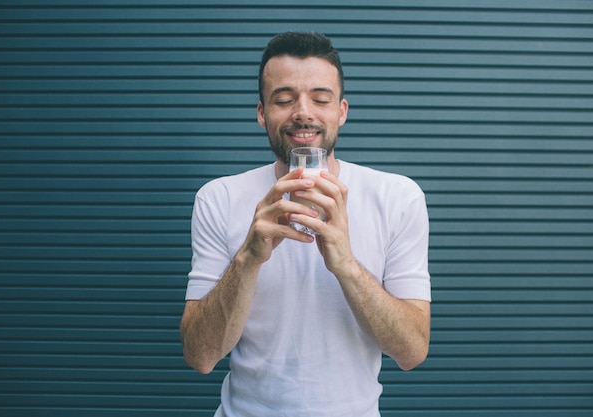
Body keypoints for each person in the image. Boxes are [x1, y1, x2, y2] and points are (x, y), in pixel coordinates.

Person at [180, 31, 431, 417]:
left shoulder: (398, 196)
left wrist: (345, 264)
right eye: (283, 99)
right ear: (262, 112)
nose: (303, 112)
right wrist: (248, 257)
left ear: (342, 111)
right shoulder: (218, 198)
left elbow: (412, 351)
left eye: (320, 98)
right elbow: (200, 355)